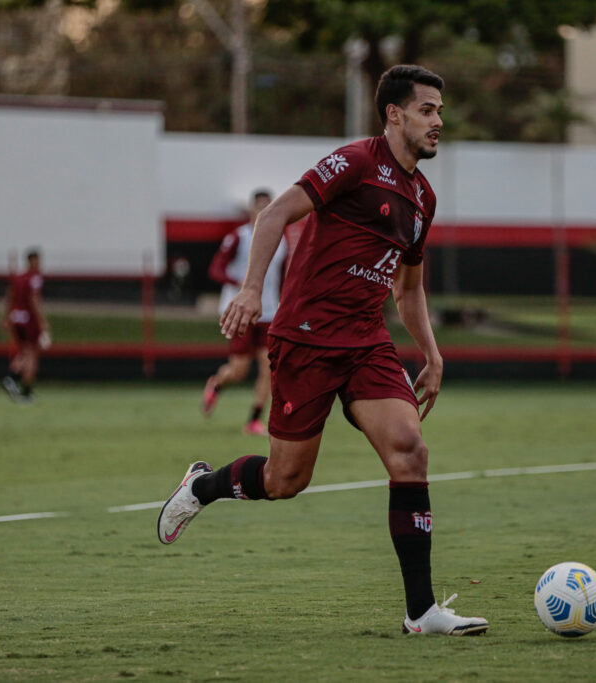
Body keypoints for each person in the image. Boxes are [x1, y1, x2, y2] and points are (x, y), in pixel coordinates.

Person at [157, 65, 488, 636]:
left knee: (410, 450)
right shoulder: (356, 162)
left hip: (366, 343)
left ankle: (421, 612)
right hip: (306, 338)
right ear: (394, 114)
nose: (439, 121)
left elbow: (408, 290)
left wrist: (431, 355)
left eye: (440, 110)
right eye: (428, 110)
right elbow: (275, 213)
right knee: (287, 479)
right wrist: (252, 288)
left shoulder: (422, 197)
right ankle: (202, 486)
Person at [202, 190, 288, 436]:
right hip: (240, 310)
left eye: (267, 206)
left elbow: (281, 276)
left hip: (269, 312)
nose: (262, 211)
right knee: (239, 370)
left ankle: (254, 419)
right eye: (258, 206)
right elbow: (216, 269)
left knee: (269, 368)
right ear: (250, 209)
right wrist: (242, 284)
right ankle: (217, 384)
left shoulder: (281, 241)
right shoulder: (238, 237)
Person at [2, 248, 50, 403]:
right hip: (29, 319)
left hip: (17, 318)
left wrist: (6, 317)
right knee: (31, 354)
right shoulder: (35, 278)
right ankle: (26, 391)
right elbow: (34, 299)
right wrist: (42, 321)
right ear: (32, 261)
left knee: (23, 352)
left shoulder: (18, 277)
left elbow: (10, 296)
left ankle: (11, 378)